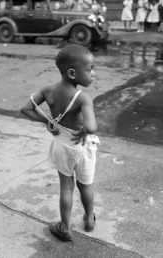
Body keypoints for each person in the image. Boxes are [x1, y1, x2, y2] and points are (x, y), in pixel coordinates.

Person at [20, 44, 100, 242]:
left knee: (66, 187)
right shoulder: (83, 98)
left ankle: (64, 228)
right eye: (90, 69)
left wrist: (47, 121)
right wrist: (83, 131)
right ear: (72, 73)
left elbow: (26, 108)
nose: (93, 73)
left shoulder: (48, 90)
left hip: (61, 146)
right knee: (85, 185)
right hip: (82, 148)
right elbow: (91, 127)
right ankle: (89, 219)